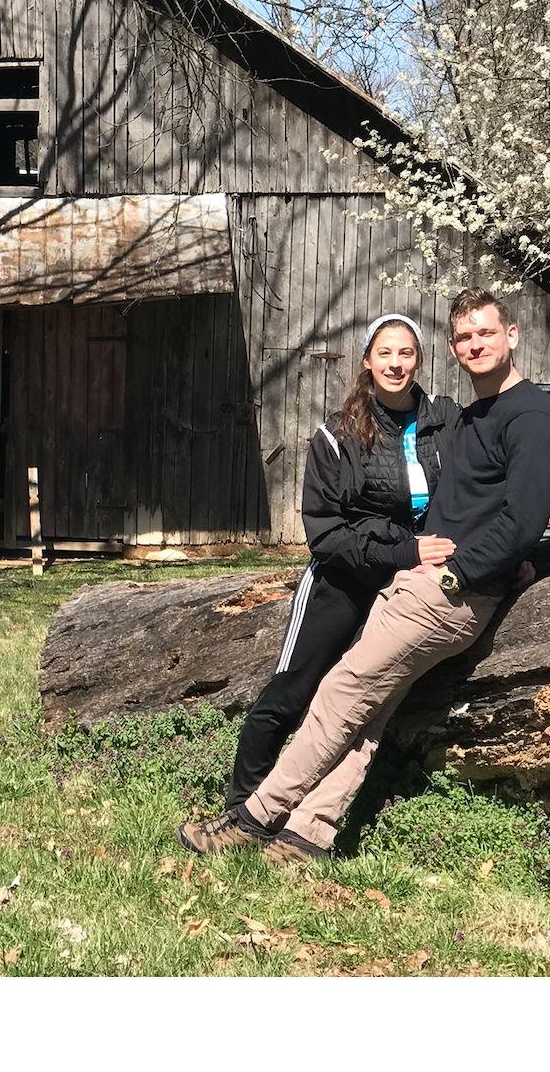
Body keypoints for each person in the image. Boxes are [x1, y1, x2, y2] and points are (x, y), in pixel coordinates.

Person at [178, 287, 550, 862]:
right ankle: (307, 834)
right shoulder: (469, 416)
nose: (474, 345)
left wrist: (463, 574)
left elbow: (523, 518)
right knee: (369, 710)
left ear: (512, 335)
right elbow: (483, 510)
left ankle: (253, 817)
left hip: (446, 593)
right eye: (463, 337)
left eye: (486, 332)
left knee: (344, 690)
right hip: (414, 580)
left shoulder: (534, 417)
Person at [191, 312, 458, 844]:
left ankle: (308, 817)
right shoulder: (335, 436)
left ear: (420, 360)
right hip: (343, 578)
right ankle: (243, 809)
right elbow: (326, 535)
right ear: (366, 360)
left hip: (412, 584)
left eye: (406, 353)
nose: (396, 363)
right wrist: (405, 549)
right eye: (385, 353)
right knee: (293, 690)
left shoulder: (445, 423)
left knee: (359, 698)